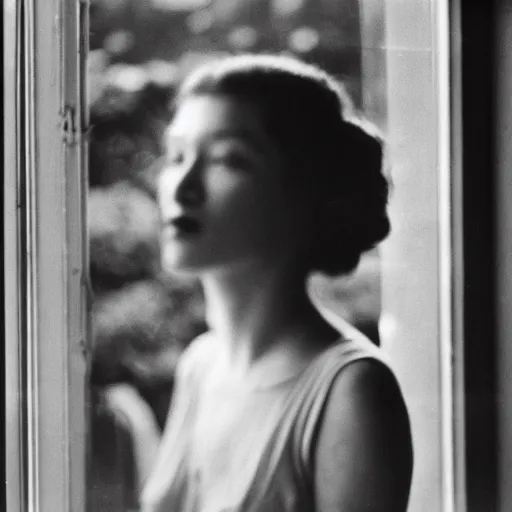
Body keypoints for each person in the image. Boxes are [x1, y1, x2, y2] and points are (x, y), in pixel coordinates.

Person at [141, 53, 413, 512]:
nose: (182, 185)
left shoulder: (353, 393)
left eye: (227, 159)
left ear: (303, 188)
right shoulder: (201, 366)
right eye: (177, 155)